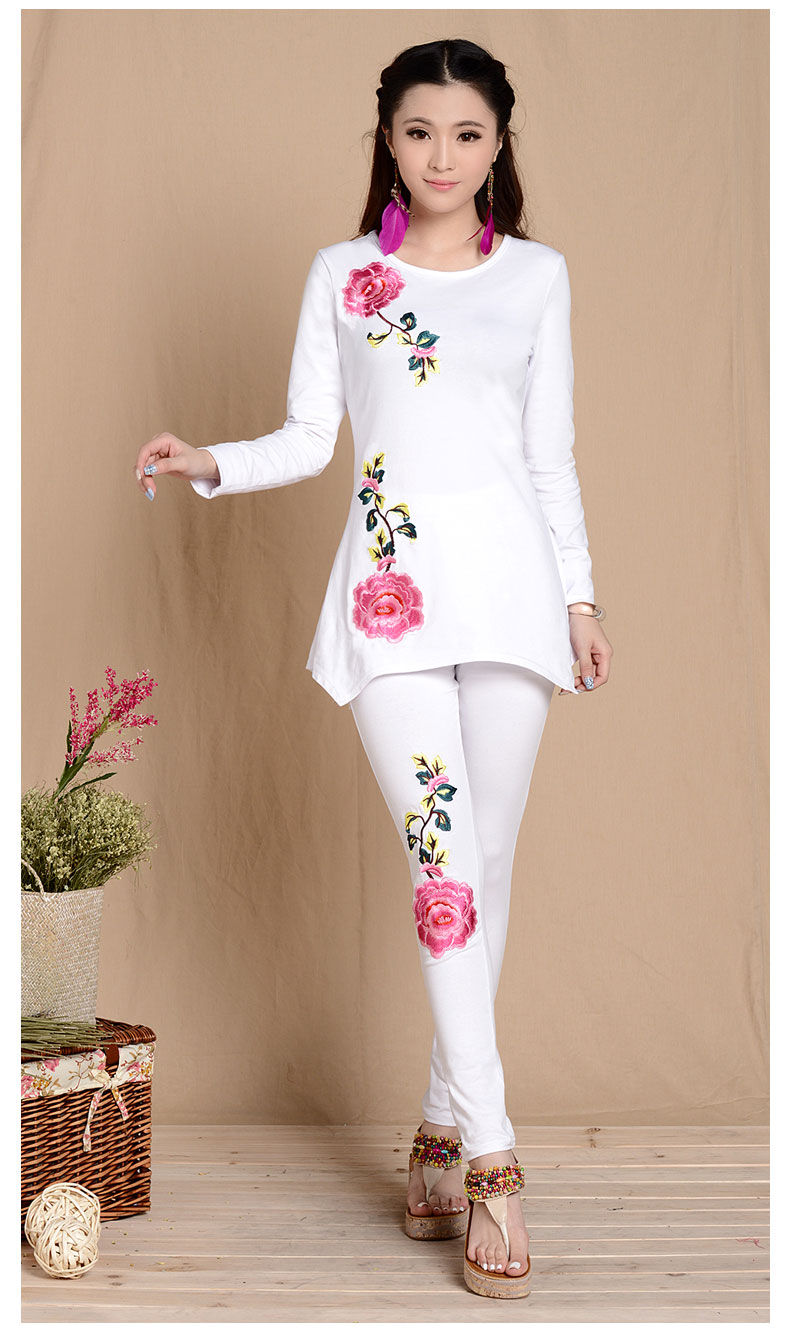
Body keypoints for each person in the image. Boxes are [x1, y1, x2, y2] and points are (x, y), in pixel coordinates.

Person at [133, 37, 613, 1300]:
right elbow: (309, 437)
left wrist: (577, 598)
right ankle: (495, 1162)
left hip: (511, 604)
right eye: (417, 131)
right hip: (388, 604)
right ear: (386, 140)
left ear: (497, 145)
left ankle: (441, 1127)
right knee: (442, 872)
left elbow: (549, 455)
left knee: (487, 870)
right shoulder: (344, 276)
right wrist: (210, 461)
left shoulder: (538, 278)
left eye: (465, 133)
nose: (441, 156)